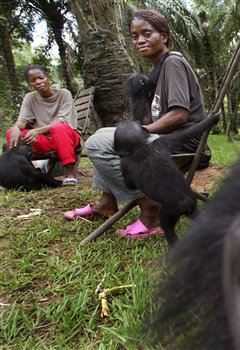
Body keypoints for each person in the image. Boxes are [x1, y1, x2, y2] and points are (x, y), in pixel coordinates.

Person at [65, 9, 207, 238]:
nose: (140, 40)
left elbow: (179, 115)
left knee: (98, 142)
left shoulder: (173, 63)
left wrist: (140, 132)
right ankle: (107, 203)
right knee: (104, 135)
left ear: (164, 36)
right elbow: (154, 116)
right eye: (134, 36)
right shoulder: (158, 70)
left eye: (147, 33)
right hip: (165, 139)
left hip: (184, 142)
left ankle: (150, 205)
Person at [6, 64, 80, 186]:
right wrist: (15, 127)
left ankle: (70, 174)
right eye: (33, 80)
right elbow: (23, 121)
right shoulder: (30, 98)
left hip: (67, 137)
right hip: (46, 140)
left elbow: (63, 121)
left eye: (41, 78)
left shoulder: (63, 94)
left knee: (59, 128)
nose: (38, 82)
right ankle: (31, 175)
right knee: (11, 133)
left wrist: (38, 131)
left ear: (48, 78)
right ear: (30, 84)